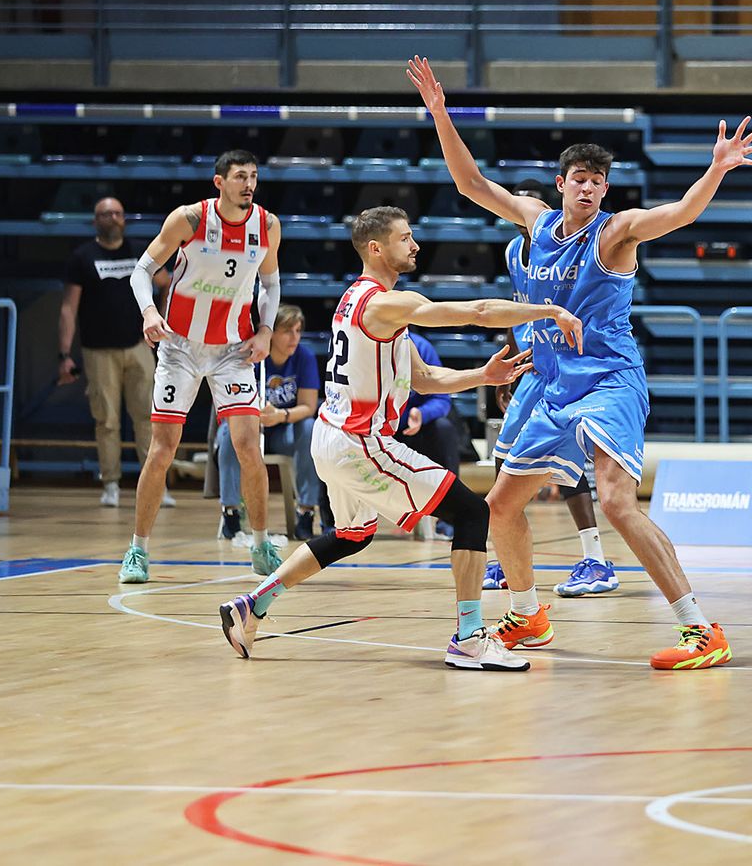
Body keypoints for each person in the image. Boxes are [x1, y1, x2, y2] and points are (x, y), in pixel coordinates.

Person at [409, 55, 752, 670]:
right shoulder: (534, 220)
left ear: (605, 189)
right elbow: (470, 184)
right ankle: (528, 613)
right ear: (562, 183)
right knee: (499, 505)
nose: (588, 185)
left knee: (618, 501)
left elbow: (679, 215)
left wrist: (714, 171)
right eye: (579, 176)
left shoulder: (615, 232)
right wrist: (441, 112)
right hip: (549, 385)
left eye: (598, 179)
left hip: (607, 379)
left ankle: (700, 628)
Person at [216, 205, 583, 672]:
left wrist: (483, 375)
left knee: (352, 535)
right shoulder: (386, 302)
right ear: (376, 248)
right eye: (405, 238)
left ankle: (253, 604)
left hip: (332, 437)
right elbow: (479, 310)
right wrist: (550, 309)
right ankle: (470, 639)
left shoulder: (358, 301)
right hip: (359, 442)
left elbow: (424, 379)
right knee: (472, 512)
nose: (415, 245)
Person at [117, 150, 284, 584]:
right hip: (181, 345)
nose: (249, 184)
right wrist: (150, 311)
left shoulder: (266, 225)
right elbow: (142, 269)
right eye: (240, 176)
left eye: (254, 176)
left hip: (234, 349)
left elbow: (270, 282)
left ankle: (261, 543)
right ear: (219, 182)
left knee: (250, 446)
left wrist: (265, 330)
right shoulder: (189, 220)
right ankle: (138, 550)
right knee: (163, 449)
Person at [483, 184, 618, 598]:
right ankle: (507, 558)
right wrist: (510, 363)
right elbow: (514, 308)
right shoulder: (512, 252)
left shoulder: (572, 246)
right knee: (503, 458)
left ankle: (594, 558)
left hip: (569, 367)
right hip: (532, 366)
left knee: (566, 463)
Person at [57, 196, 175, 508]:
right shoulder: (82, 257)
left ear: (124, 219)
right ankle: (110, 483)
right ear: (96, 220)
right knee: (106, 420)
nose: (113, 218)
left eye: (118, 213)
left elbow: (167, 282)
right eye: (106, 214)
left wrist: (160, 319)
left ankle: (156, 486)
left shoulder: (139, 251)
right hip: (98, 352)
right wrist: (64, 354)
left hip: (139, 347)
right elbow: (69, 308)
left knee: (149, 418)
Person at [214, 304, 322, 540]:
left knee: (310, 428)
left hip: (285, 432)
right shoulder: (250, 357)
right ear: (271, 333)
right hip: (250, 430)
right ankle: (231, 512)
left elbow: (308, 407)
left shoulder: (304, 358)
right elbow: (226, 406)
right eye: (287, 331)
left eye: (298, 331)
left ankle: (306, 511)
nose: (294, 338)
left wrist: (280, 416)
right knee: (226, 432)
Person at [399, 329, 464, 540]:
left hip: (414, 426)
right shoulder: (368, 348)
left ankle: (449, 519)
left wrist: (421, 414)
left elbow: (442, 400)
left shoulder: (421, 347)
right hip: (377, 427)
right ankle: (332, 522)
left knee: (444, 429)